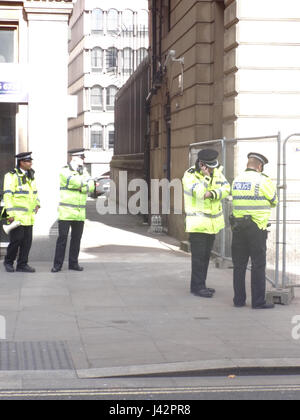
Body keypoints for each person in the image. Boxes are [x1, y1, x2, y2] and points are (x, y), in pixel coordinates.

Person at [231, 152, 278, 309]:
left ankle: (238, 300)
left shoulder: (237, 180)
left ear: (247, 165)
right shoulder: (263, 180)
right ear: (260, 166)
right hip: (256, 227)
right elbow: (274, 200)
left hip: (238, 227)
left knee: (239, 265)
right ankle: (258, 301)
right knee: (258, 264)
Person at [182, 148, 230, 298]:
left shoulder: (216, 171)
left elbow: (226, 188)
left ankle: (202, 284)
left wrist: (214, 193)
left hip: (212, 225)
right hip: (197, 224)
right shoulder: (189, 175)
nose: (212, 169)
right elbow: (202, 194)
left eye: (213, 166)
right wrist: (206, 178)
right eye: (209, 167)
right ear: (202, 164)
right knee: (198, 258)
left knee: (205, 257)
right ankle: (197, 287)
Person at [51, 148, 95, 273]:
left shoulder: (84, 171)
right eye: (82, 158)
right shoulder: (64, 170)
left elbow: (91, 186)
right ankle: (57, 265)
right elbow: (74, 182)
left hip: (80, 213)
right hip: (66, 212)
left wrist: (84, 185)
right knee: (62, 239)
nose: (84, 160)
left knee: (76, 240)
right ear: (74, 158)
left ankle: (73, 263)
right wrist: (84, 184)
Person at [2, 152, 40, 273]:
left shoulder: (31, 175)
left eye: (30, 161)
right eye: (28, 161)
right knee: (15, 241)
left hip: (29, 216)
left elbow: (34, 193)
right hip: (16, 216)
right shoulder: (10, 176)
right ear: (21, 163)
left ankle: (22, 264)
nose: (31, 163)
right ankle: (8, 262)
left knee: (27, 242)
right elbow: (8, 196)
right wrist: (10, 215)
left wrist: (38, 204)